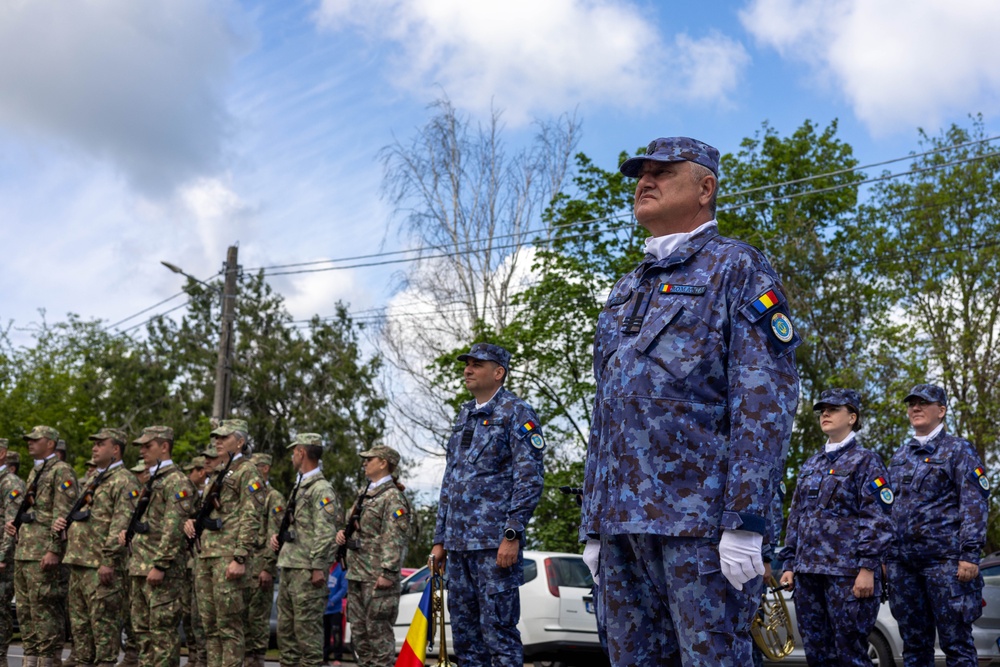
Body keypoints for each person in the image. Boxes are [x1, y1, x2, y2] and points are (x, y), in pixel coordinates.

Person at [579, 137, 801, 666]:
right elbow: (605, 412)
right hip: (622, 527)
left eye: (662, 172)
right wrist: (592, 523)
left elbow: (764, 401)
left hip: (700, 528)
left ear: (706, 188)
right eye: (640, 173)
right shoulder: (626, 287)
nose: (644, 182)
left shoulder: (737, 268)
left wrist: (745, 521)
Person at [430, 343, 546, 667]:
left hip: (494, 545)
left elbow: (530, 478)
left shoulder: (517, 413)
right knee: (465, 638)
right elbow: (450, 480)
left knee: (498, 632)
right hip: (458, 545)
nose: (468, 369)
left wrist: (512, 534)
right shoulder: (464, 414)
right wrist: (440, 540)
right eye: (467, 364)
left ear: (498, 372)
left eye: (477, 364)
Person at [777, 389, 892, 666]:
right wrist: (789, 564)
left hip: (847, 575)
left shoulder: (866, 461)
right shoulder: (811, 464)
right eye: (822, 410)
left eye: (833, 409)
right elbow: (797, 516)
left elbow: (878, 517)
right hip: (808, 574)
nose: (825, 414)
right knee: (817, 655)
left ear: (852, 417)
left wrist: (868, 568)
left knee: (850, 655)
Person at [887, 383, 988, 667]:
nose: (915, 408)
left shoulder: (958, 449)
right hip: (903, 567)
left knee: (956, 645)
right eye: (911, 404)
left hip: (945, 564)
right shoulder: (900, 455)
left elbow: (974, 502)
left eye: (923, 403)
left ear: (941, 411)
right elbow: (887, 509)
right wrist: (886, 555)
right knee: (914, 647)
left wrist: (970, 554)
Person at [53, 427, 139, 667]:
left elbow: (120, 524)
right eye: (94, 443)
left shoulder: (125, 480)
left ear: (116, 449)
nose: (94, 447)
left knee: (103, 634)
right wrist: (64, 525)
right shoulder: (94, 478)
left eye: (101, 443)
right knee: (81, 633)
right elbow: (86, 515)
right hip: (79, 561)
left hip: (100, 566)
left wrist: (109, 561)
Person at [183, 419, 264, 667]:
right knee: (210, 627)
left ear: (239, 442)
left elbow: (251, 516)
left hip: (228, 557)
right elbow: (208, 512)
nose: (217, 441)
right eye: (216, 437)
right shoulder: (218, 473)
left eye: (223, 437)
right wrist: (192, 522)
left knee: (229, 626)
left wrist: (240, 557)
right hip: (207, 554)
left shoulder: (248, 472)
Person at [4, 425, 79, 667]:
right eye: (29, 439)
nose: (30, 443)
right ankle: (31, 657)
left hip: (42, 552)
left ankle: (49, 659)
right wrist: (16, 526)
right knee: (26, 611)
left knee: (44, 608)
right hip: (26, 550)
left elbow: (63, 515)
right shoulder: (37, 471)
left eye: (36, 440)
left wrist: (53, 549)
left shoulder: (61, 471)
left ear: (50, 443)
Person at [120, 426, 195, 667]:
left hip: (161, 572)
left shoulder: (176, 481)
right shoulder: (153, 480)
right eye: (141, 446)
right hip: (140, 567)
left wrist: (161, 565)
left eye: (147, 446)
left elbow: (174, 529)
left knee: (162, 634)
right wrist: (129, 534)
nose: (142, 451)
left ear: (164, 446)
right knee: (142, 634)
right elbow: (150, 523)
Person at [270, 432, 341, 667]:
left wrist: (318, 566)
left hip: (307, 571)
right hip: (290, 565)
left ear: (301, 452)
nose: (292, 457)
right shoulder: (300, 486)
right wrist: (279, 538)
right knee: (287, 636)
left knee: (307, 638)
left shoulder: (321, 489)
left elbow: (326, 532)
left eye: (294, 452)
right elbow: (299, 527)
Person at [336, 445, 410, 667]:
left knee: (379, 638)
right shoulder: (365, 494)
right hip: (358, 574)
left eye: (370, 459)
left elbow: (395, 537)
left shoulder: (392, 497)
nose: (365, 463)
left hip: (377, 577)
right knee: (360, 636)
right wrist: (343, 534)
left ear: (384, 463)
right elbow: (358, 528)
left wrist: (388, 572)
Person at [245, 453, 285, 667]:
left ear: (265, 468)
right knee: (242, 619)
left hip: (260, 567)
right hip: (244, 566)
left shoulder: (273, 497)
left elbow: (275, 535)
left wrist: (268, 567)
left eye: (254, 467)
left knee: (257, 621)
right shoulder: (249, 493)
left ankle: (256, 661)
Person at [0, 441, 26, 667]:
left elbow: (11, 524)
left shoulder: (11, 483)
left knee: (0, 607)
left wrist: (2, 557)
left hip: (3, 557)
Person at [181, 456, 208, 667]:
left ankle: (202, 657)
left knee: (203, 615)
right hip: (190, 562)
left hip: (204, 560)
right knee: (189, 614)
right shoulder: (190, 493)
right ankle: (194, 656)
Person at [323, 562, 347, 665]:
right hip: (323, 609)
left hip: (335, 609)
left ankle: (338, 657)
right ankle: (324, 657)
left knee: (336, 633)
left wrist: (333, 601)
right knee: (324, 634)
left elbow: (344, 588)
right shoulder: (322, 568)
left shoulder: (341, 569)